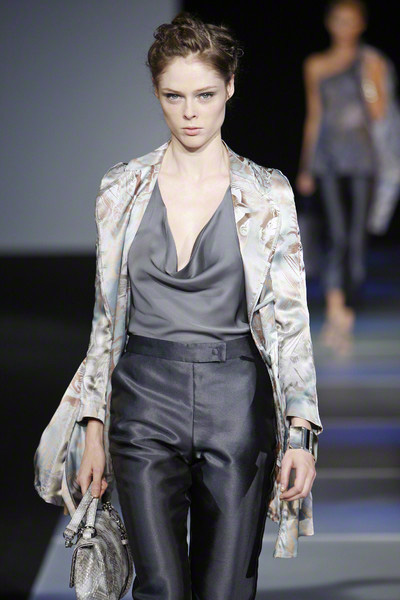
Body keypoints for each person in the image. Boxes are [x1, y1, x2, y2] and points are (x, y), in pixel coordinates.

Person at [33, 11, 323, 600]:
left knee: (226, 590)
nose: (190, 112)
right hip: (143, 400)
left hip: (236, 403)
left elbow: (290, 318)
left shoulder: (266, 193)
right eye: (174, 96)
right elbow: (107, 320)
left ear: (230, 87)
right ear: (157, 93)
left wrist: (301, 433)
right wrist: (94, 428)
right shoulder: (122, 188)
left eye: (205, 94)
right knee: (159, 587)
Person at [296, 0, 391, 357]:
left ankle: (348, 300)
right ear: (329, 23)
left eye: (351, 21)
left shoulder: (372, 62)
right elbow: (315, 115)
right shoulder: (316, 64)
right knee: (336, 232)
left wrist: (367, 77)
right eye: (339, 20)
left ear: (361, 24)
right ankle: (337, 306)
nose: (344, 27)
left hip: (363, 158)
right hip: (329, 158)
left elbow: (378, 112)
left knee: (356, 237)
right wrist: (306, 166)